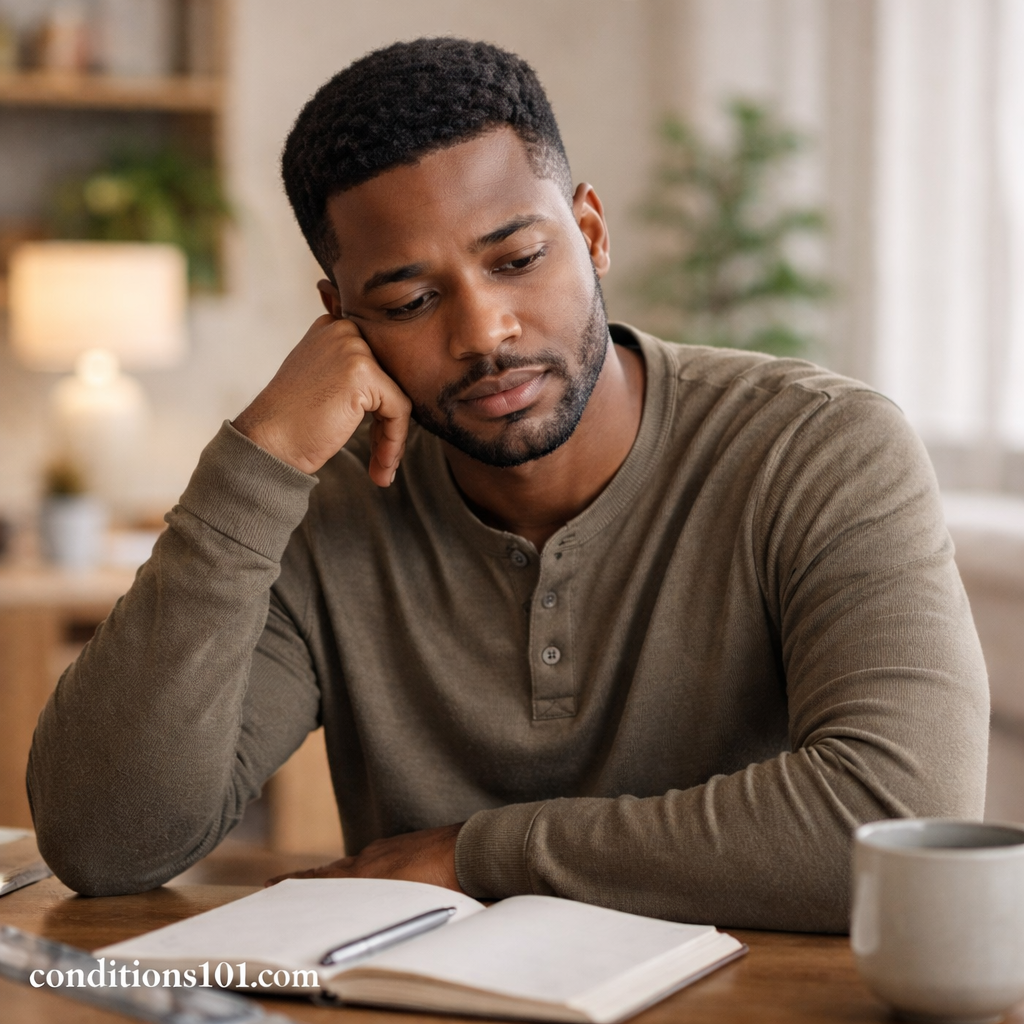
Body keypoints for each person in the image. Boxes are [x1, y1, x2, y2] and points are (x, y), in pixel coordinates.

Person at [27, 38, 988, 933]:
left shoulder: (818, 450)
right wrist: (260, 453)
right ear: (341, 317)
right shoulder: (325, 511)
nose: (484, 331)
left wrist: (475, 856)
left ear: (591, 233)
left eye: (518, 260)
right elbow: (109, 842)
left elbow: (901, 816)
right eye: (409, 301)